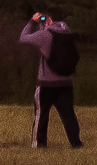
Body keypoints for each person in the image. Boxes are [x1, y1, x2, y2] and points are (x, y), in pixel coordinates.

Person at [19, 10, 83, 149]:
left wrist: (32, 22)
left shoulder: (44, 35)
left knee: (41, 115)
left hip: (46, 84)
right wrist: (49, 24)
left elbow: (23, 37)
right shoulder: (67, 34)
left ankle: (40, 144)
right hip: (66, 83)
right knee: (68, 115)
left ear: (47, 19)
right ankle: (76, 143)